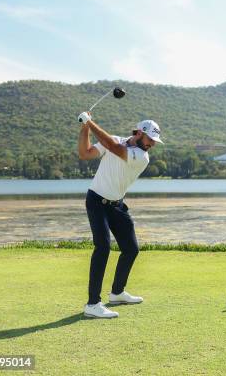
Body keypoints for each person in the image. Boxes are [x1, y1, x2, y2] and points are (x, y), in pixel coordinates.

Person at [77, 111, 162, 318]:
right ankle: (92, 304)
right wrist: (85, 127)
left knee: (131, 249)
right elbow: (85, 153)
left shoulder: (142, 157)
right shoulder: (114, 140)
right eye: (150, 139)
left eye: (154, 141)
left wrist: (90, 121)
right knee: (103, 247)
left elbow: (114, 148)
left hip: (117, 205)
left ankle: (116, 293)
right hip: (96, 200)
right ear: (140, 133)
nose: (152, 144)